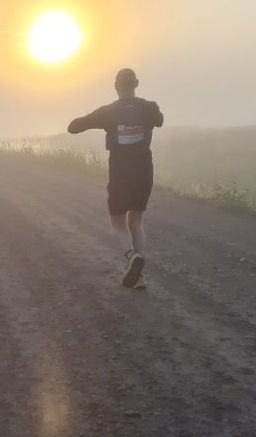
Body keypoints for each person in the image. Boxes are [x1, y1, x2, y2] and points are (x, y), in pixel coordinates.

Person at [67, 68, 164, 289]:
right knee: (136, 221)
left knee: (117, 222)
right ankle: (139, 276)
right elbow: (159, 121)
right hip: (144, 170)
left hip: (120, 171)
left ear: (116, 86)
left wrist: (92, 120)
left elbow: (73, 128)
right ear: (136, 84)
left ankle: (131, 256)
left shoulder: (108, 112)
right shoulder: (149, 107)